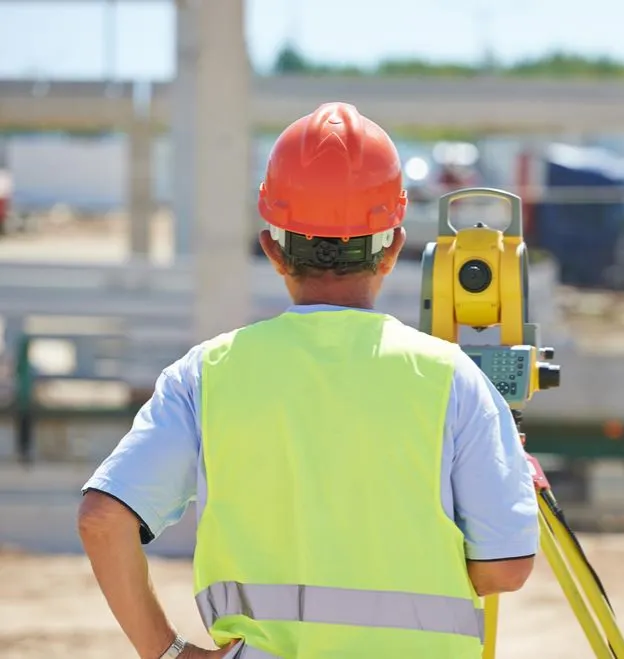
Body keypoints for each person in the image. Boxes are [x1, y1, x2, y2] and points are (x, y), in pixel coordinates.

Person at [76, 102, 539, 659]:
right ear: (393, 248)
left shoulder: (205, 375)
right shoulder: (454, 380)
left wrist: (169, 653)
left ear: (272, 248)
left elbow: (104, 518)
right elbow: (505, 570)